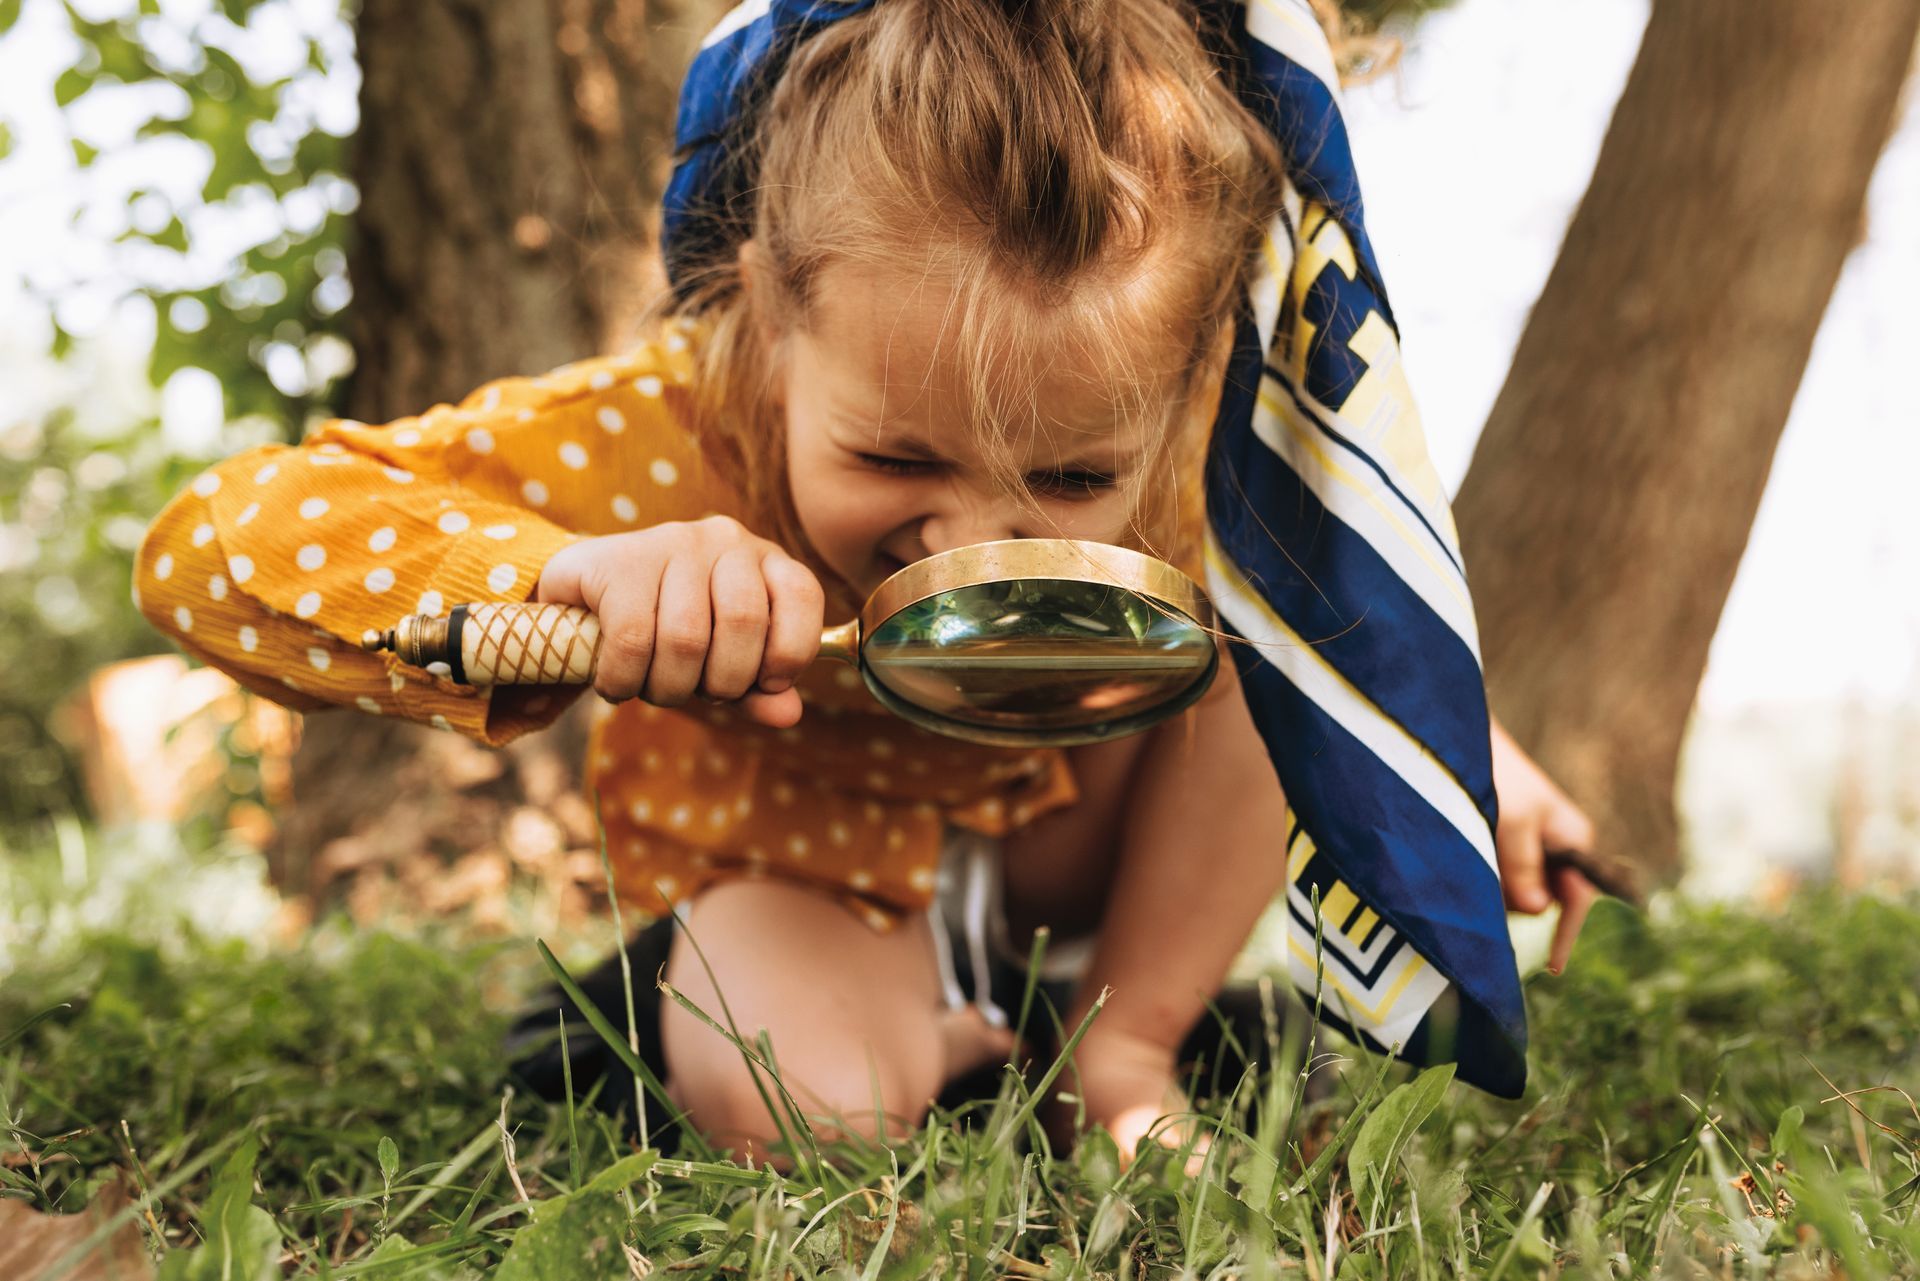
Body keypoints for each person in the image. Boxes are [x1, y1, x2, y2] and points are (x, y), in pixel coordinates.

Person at [134, 0, 1597, 1162]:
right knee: (804, 1108)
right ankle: (937, 1045)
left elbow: (1344, 626)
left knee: (1276, 618)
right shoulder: (673, 434)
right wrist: (566, 572)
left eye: (1073, 479)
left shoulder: (1218, 437)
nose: (974, 548)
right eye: (899, 456)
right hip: (809, 889)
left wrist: (1472, 765)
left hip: (1081, 880)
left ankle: (1127, 1046)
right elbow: (213, 546)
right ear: (773, 305)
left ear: (1191, 362)